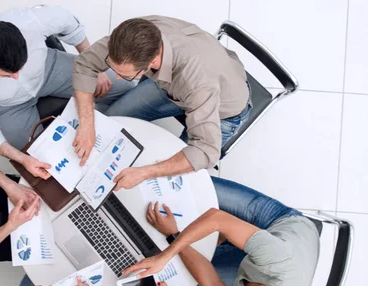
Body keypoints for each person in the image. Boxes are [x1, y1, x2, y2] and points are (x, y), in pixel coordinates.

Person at [124, 178, 320, 286]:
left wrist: (173, 234)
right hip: (283, 224)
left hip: (266, 264)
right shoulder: (277, 258)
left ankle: (234, 239)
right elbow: (216, 218)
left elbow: (212, 283)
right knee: (192, 184)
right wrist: (164, 255)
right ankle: (235, 237)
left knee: (188, 269)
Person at [0, 5, 133, 176]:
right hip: (9, 107)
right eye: (7, 75)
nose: (16, 77)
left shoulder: (29, 21)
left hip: (49, 71)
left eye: (20, 67)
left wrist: (95, 68)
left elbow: (71, 24)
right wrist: (22, 159)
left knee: (124, 87)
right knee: (41, 160)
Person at [72, 15, 250, 184]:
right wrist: (87, 124)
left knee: (175, 175)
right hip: (169, 86)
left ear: (153, 62)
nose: (116, 78)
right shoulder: (131, 37)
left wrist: (144, 173)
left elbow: (205, 150)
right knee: (112, 119)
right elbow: (85, 64)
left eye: (125, 75)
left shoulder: (198, 81)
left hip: (223, 110)